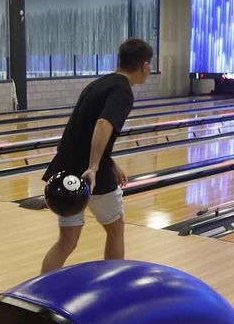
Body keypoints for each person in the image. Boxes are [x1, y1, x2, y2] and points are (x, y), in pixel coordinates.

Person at [39, 38, 154, 274]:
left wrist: (110, 162)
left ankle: (40, 292)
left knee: (67, 242)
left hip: (65, 174)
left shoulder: (98, 84)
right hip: (91, 176)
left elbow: (82, 132)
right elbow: (103, 124)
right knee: (116, 231)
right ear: (144, 65)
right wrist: (94, 167)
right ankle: (112, 289)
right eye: (149, 65)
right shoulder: (123, 91)